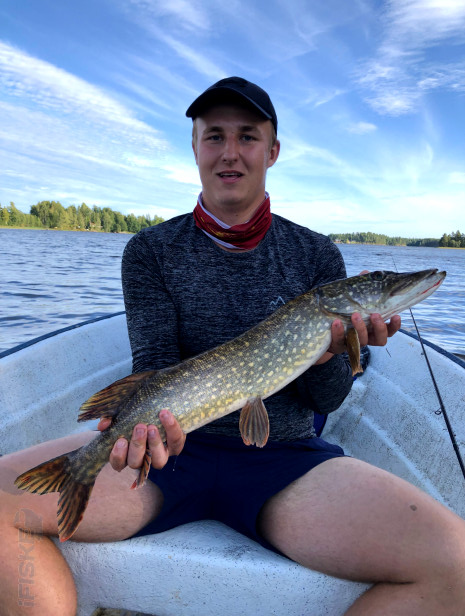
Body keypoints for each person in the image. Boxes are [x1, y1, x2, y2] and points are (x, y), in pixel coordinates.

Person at [1, 77, 464, 616]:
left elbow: (328, 401)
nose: (230, 152)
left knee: (456, 561)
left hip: (285, 462)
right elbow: (154, 367)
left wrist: (331, 354)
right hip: (171, 458)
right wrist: (143, 434)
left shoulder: (316, 254)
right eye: (214, 136)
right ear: (195, 147)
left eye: (247, 136)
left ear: (272, 151)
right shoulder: (151, 250)